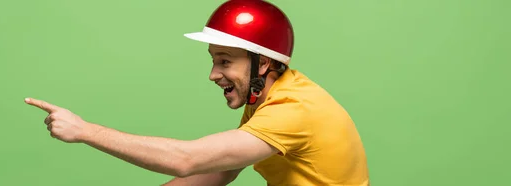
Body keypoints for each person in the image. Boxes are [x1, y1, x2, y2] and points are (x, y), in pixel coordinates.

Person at [24, 0, 370, 185]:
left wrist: (84, 131)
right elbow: (222, 170)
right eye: (213, 60)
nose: (213, 74)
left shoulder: (293, 110)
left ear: (262, 63)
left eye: (224, 61)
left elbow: (187, 160)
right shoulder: (275, 96)